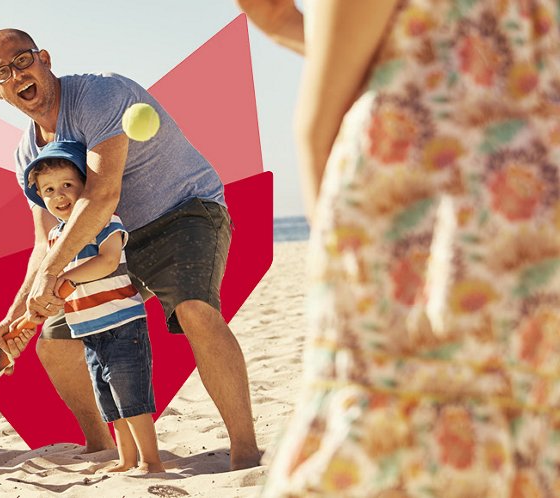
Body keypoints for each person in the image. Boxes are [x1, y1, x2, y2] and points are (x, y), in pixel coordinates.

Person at [238, 1, 560, 495]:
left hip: (430, 231)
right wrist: (288, 27)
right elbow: (474, 57)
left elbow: (317, 125)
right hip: (533, 228)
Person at [0, 28, 260, 469]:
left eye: (23, 60)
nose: (17, 75)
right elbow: (44, 242)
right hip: (107, 240)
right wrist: (16, 315)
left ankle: (245, 449)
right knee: (53, 342)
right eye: (3, 72)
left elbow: (101, 195)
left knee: (194, 310)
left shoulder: (101, 95)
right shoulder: (25, 156)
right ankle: (101, 444)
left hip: (182, 211)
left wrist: (54, 276)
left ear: (45, 58)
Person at [23, 140, 165, 474]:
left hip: (121, 325)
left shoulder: (104, 220)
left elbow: (108, 260)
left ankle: (151, 460)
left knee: (131, 397)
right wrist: (37, 309)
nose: (59, 196)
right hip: (89, 331)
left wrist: (68, 279)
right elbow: (54, 287)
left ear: (87, 186)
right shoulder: (57, 237)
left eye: (68, 185)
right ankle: (126, 459)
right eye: (49, 190)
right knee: (110, 399)